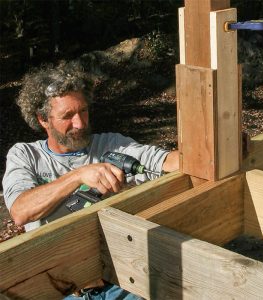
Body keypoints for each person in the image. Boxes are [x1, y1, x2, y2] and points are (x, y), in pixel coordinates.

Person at [2, 62, 179, 300]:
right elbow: (21, 211)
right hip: (61, 291)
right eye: (67, 116)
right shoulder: (26, 155)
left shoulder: (112, 145)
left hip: (123, 285)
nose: (80, 123)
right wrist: (77, 176)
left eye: (83, 111)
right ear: (43, 119)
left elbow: (167, 160)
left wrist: (217, 146)